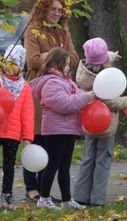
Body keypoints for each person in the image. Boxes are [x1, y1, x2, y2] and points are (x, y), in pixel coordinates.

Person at [23, 0, 79, 203]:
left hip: (60, 87)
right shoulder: (33, 29)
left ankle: (44, 189)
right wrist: (58, 55)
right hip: (38, 88)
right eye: (53, 9)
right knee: (36, 136)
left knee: (50, 141)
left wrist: (52, 56)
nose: (57, 13)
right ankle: (32, 187)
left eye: (60, 10)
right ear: (44, 9)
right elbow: (33, 61)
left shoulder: (63, 31)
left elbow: (73, 59)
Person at [74, 38, 127, 207]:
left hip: (88, 123)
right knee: (103, 161)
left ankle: (80, 196)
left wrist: (112, 55)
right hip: (105, 125)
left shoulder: (83, 71)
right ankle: (97, 199)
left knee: (88, 159)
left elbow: (101, 57)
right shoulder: (103, 79)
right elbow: (112, 102)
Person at [30, 47, 93, 209]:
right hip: (55, 130)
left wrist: (91, 97)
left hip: (68, 128)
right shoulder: (50, 82)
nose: (68, 67)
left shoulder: (68, 82)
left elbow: (78, 96)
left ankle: (66, 200)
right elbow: (63, 103)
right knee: (52, 165)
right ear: (55, 63)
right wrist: (86, 97)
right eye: (65, 64)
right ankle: (43, 199)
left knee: (64, 167)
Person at [0, 45, 34, 209]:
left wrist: (28, 137)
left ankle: (6, 196)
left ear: (20, 67)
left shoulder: (25, 87)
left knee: (9, 166)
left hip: (13, 133)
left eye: (14, 64)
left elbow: (27, 113)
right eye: (8, 62)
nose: (10, 67)